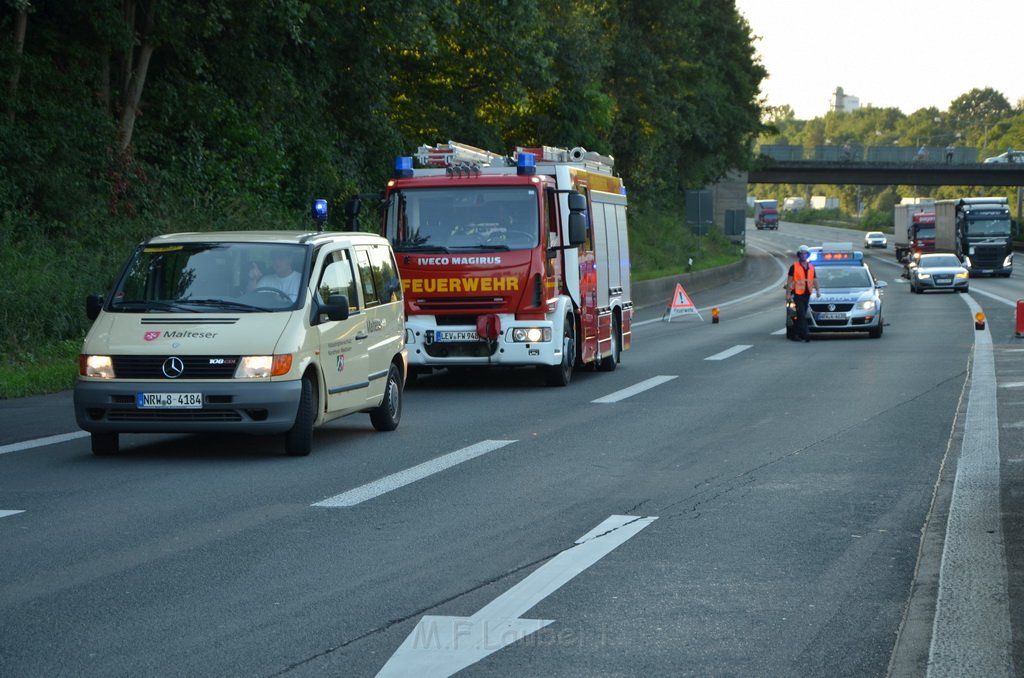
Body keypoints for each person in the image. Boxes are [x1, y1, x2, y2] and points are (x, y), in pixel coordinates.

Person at [786, 245, 821, 342]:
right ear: (799, 255)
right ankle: (806, 334)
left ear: (807, 255)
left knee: (801, 314)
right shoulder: (794, 266)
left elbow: (814, 280)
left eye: (805, 254)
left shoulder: (811, 267)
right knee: (801, 313)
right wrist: (788, 294)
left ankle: (795, 335)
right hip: (797, 294)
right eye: (801, 254)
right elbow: (789, 281)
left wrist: (818, 291)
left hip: (807, 293)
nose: (803, 256)